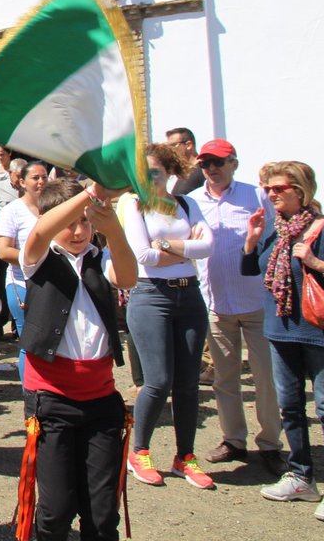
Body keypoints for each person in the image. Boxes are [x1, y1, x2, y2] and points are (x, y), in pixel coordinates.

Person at [243, 161, 324, 522]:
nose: (271, 194)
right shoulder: (276, 229)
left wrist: (318, 263)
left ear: (300, 191)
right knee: (290, 407)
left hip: (320, 332)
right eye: (268, 188)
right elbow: (253, 271)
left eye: (279, 188)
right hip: (280, 330)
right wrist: (252, 242)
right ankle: (301, 475)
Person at [17, 177, 137, 541]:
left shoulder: (100, 260)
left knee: (102, 514)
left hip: (100, 400)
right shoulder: (37, 259)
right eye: (69, 223)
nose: (78, 230)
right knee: (55, 512)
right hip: (52, 400)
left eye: (84, 222)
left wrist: (112, 227)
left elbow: (128, 275)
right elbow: (40, 232)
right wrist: (92, 193)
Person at [122, 143, 216, 489]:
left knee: (188, 383)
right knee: (157, 380)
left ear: (170, 172)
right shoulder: (132, 203)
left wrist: (167, 247)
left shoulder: (186, 204)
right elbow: (143, 255)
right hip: (151, 296)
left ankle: (185, 456)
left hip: (189, 295)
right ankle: (139, 452)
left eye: (156, 172)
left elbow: (209, 247)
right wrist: (182, 249)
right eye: (142, 173)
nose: (149, 179)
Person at [192, 139, 284, 473]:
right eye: (206, 164)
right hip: (215, 301)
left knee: (265, 378)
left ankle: (271, 443)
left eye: (218, 162)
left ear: (234, 163)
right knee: (224, 379)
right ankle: (234, 439)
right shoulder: (191, 201)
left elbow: (274, 239)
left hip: (255, 299)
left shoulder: (255, 195)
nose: (212, 169)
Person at [0, 160, 47, 378]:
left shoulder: (54, 207)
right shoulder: (12, 211)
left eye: (44, 176)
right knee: (30, 341)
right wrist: (37, 259)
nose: (41, 182)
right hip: (22, 284)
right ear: (23, 182)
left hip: (52, 285)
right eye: (35, 178)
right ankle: (31, 392)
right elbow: (4, 251)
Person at [166, 127, 204, 196]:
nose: (169, 151)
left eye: (173, 146)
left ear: (189, 145)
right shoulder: (179, 173)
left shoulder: (204, 170)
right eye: (168, 147)